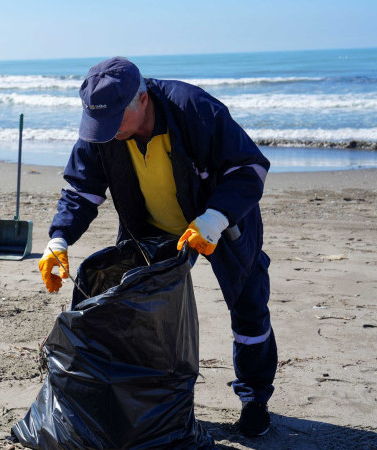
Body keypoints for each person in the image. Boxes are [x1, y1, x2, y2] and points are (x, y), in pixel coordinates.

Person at [38, 57, 277, 438]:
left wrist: (214, 219)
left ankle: (255, 399)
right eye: (99, 124)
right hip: (149, 228)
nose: (107, 132)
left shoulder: (194, 110)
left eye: (115, 121)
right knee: (135, 313)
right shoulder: (103, 130)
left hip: (221, 222)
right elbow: (81, 190)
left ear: (143, 99)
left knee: (248, 308)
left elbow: (249, 168)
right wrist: (59, 239)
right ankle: (148, 400)